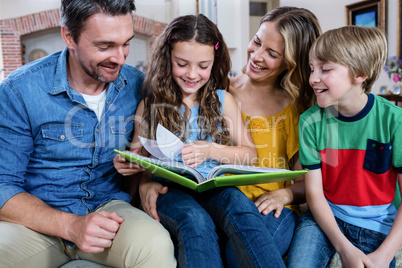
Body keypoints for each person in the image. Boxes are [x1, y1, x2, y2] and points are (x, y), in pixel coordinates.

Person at [0, 0, 176, 267]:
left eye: (126, 43)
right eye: (105, 46)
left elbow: (153, 149)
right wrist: (72, 226)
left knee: (155, 245)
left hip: (108, 210)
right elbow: (3, 186)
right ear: (69, 36)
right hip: (34, 221)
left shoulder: (137, 85)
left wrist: (146, 177)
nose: (119, 57)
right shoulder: (18, 91)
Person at [114, 14, 287, 267]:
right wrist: (134, 169)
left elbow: (250, 155)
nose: (193, 74)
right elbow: (138, 156)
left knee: (241, 209)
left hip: (213, 184)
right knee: (194, 220)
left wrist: (211, 150)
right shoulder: (150, 105)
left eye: (203, 66)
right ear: (167, 59)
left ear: (215, 62)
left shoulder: (222, 100)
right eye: (182, 64)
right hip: (169, 190)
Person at [287, 26, 402, 268]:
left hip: (377, 225)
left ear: (360, 73)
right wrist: (344, 248)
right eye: (311, 69)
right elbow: (315, 195)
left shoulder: (394, 121)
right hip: (325, 219)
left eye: (325, 69)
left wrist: (384, 256)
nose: (313, 78)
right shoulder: (310, 121)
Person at [226, 6, 321, 266]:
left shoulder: (297, 108)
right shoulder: (221, 90)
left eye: (272, 53)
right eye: (256, 42)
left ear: (291, 62)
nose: (256, 56)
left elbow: (306, 181)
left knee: (238, 258)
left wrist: (285, 195)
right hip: (223, 204)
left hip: (271, 211)